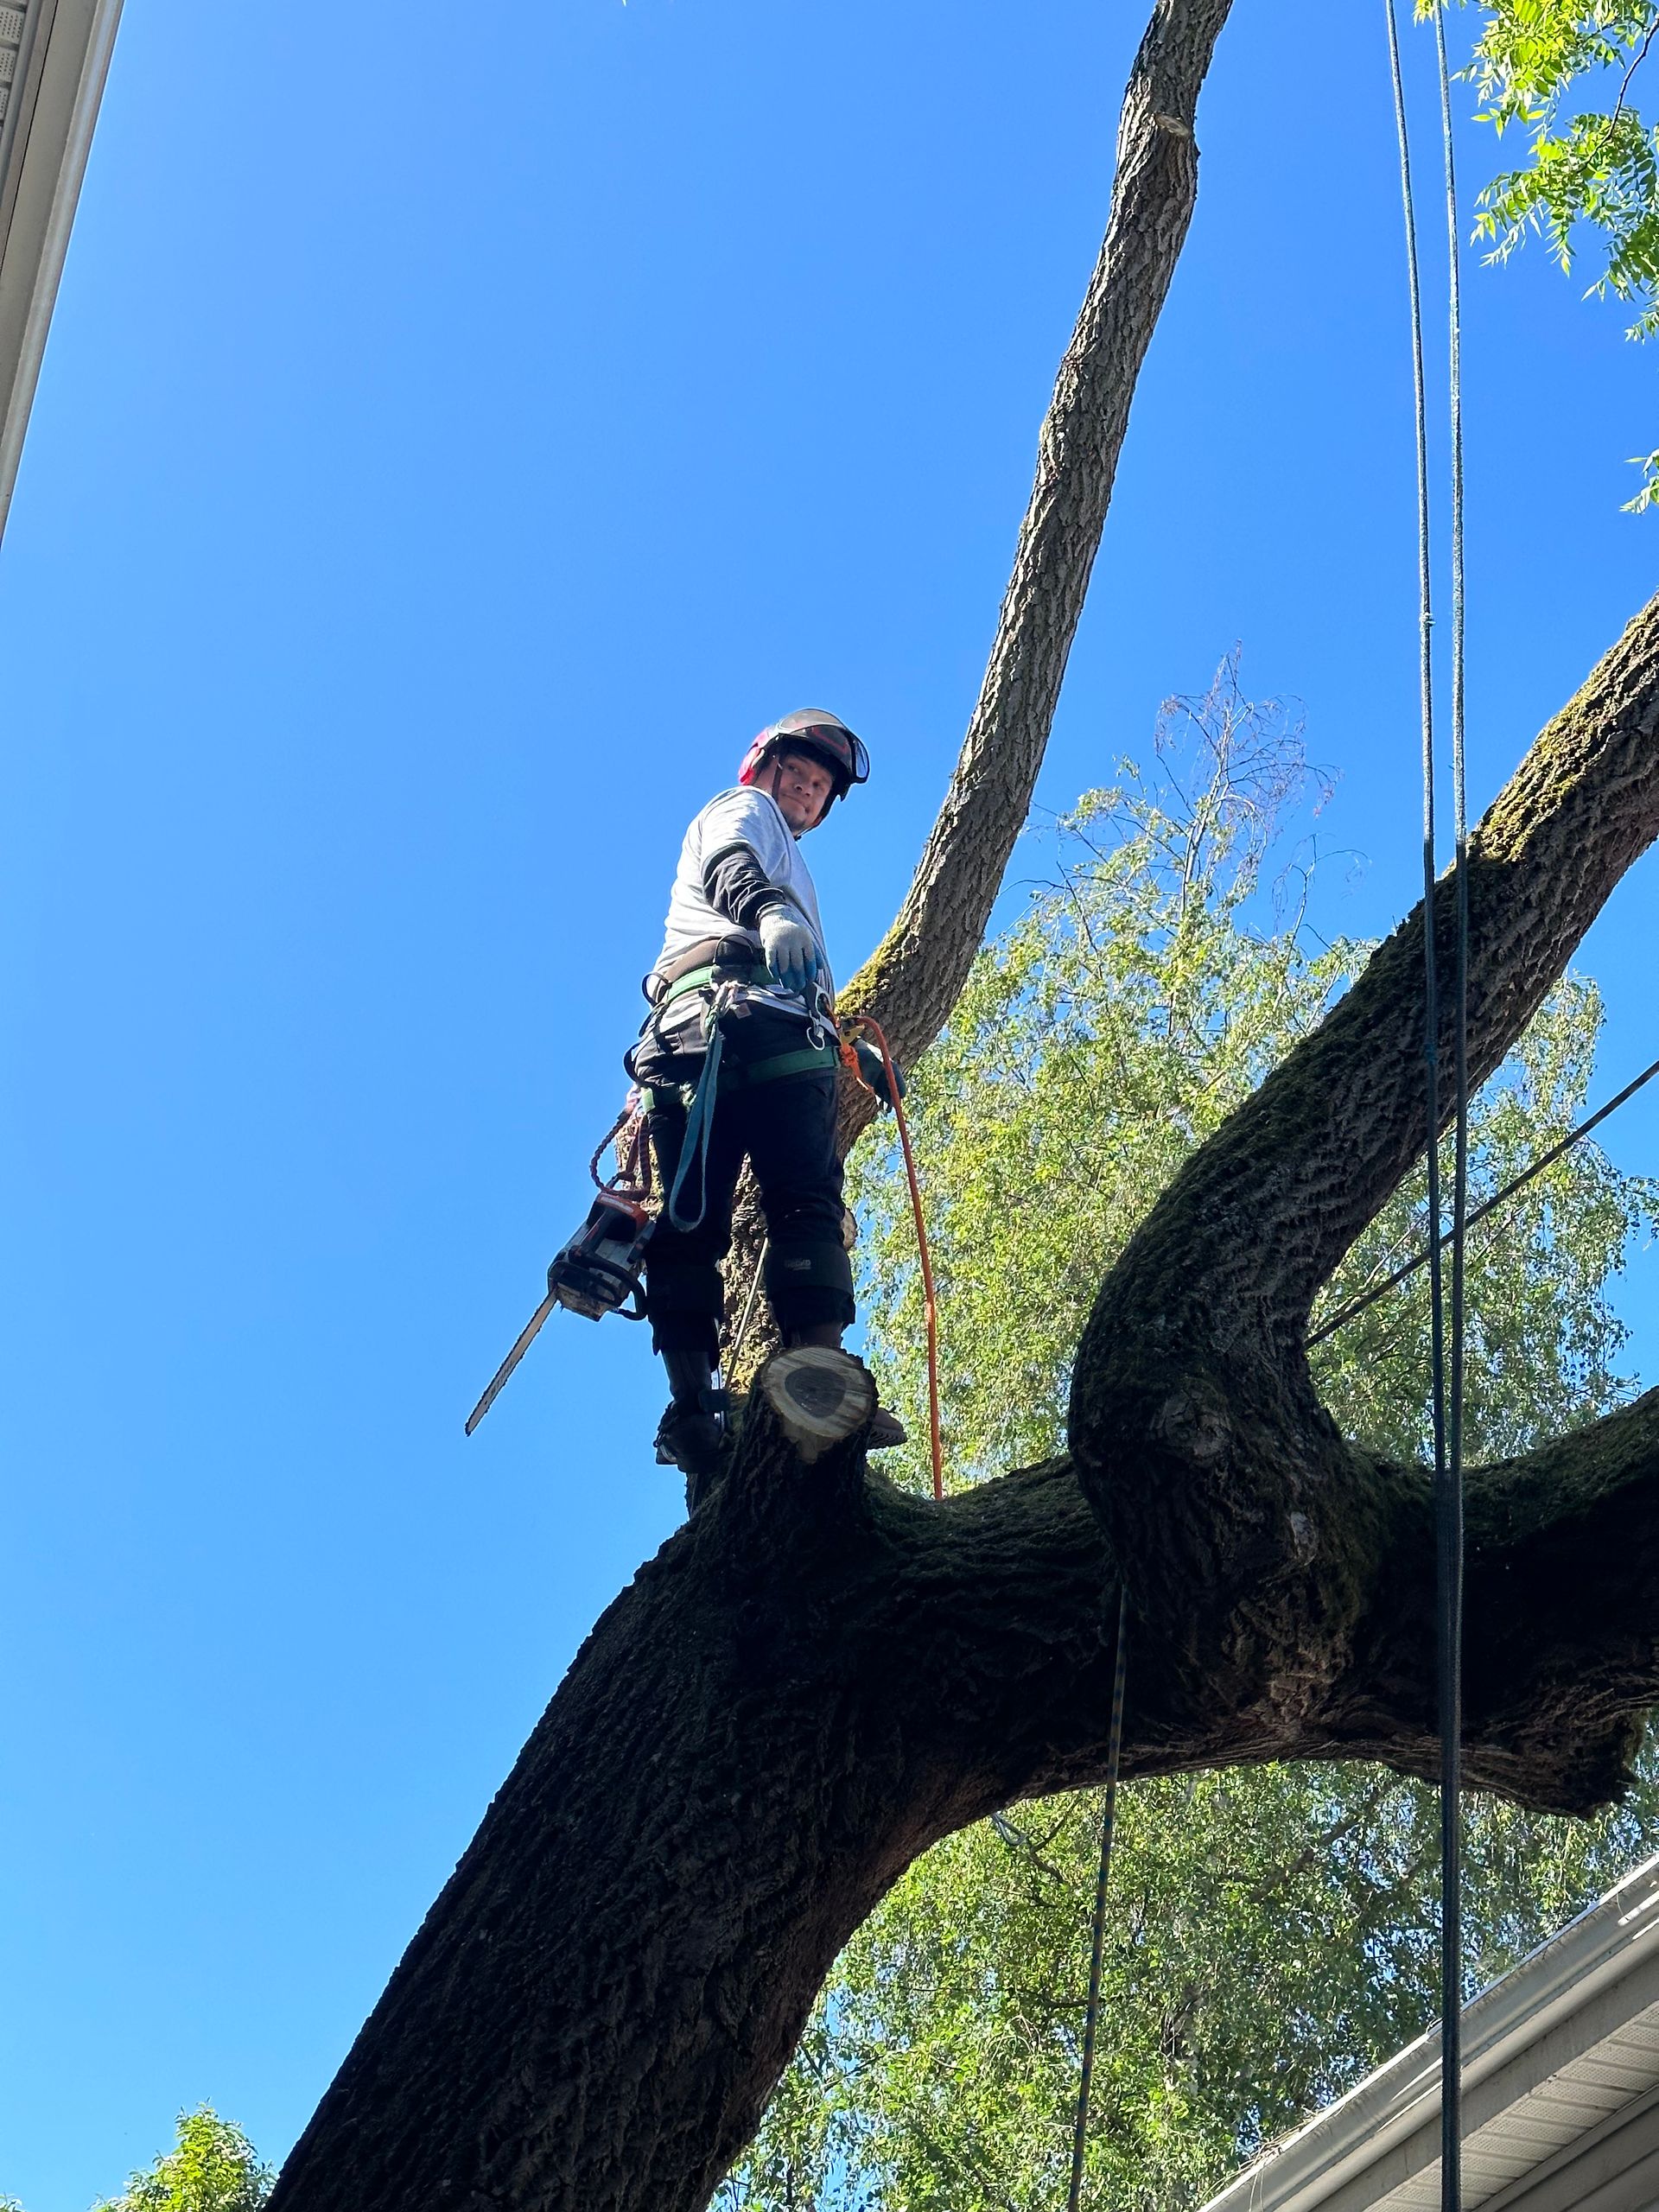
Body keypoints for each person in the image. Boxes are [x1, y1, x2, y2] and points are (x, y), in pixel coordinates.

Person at [627, 709, 906, 1483]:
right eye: (800, 776)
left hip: (774, 1033)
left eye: (820, 789)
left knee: (789, 1205)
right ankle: (707, 1402)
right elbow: (731, 864)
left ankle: (799, 1382)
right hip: (711, 1025)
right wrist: (769, 908)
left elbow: (804, 989)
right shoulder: (740, 811)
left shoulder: (799, 875)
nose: (809, 792)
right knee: (722, 1216)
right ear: (765, 768)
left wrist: (856, 1055)